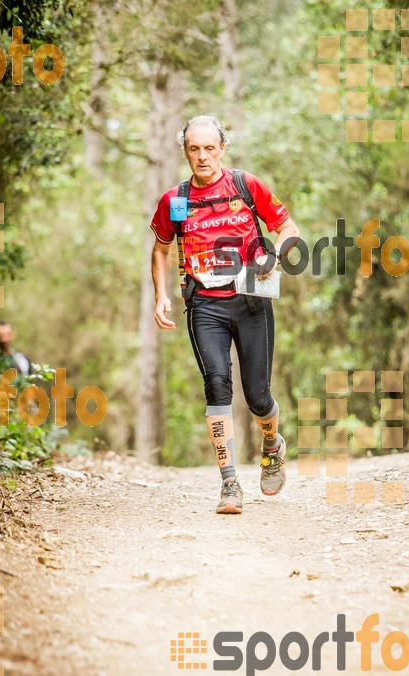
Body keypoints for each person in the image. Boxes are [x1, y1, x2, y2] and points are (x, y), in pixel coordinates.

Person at [150, 115, 299, 514]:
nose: (202, 157)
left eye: (209, 148)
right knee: (217, 385)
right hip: (204, 306)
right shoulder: (175, 200)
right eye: (194, 149)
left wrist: (275, 257)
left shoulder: (244, 185)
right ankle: (229, 483)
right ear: (185, 151)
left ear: (222, 148)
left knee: (258, 396)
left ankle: (272, 444)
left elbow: (287, 228)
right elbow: (161, 249)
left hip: (251, 300)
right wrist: (161, 294)